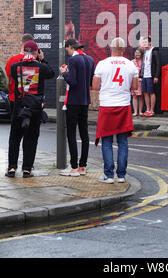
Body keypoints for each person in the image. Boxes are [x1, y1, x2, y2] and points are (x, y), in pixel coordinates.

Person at [92, 37, 139, 183]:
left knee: (106, 141)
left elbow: (95, 86)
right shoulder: (131, 65)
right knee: (122, 141)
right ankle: (122, 175)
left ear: (111, 48)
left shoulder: (102, 64)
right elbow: (135, 87)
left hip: (107, 105)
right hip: (123, 105)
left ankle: (109, 175)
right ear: (123, 50)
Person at [6, 41, 54, 178]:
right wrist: (42, 59)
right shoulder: (41, 68)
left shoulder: (15, 67)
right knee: (31, 139)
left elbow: (14, 76)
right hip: (34, 108)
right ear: (36, 52)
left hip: (19, 107)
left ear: (24, 50)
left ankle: (12, 168)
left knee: (15, 138)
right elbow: (51, 72)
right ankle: (27, 169)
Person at [59, 38, 95, 177]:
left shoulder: (74, 60)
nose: (67, 52)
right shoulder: (90, 59)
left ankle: (73, 167)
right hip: (85, 100)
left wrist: (64, 72)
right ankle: (82, 166)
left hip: (73, 101)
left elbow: (72, 82)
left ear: (70, 47)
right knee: (84, 133)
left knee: (71, 133)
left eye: (67, 49)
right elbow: (90, 80)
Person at [5, 33, 35, 116]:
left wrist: (11, 91)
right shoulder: (35, 61)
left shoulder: (12, 60)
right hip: (31, 99)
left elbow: (7, 80)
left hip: (14, 97)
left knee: (15, 126)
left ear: (20, 44)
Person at [140, 36, 160, 116]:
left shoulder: (154, 51)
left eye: (146, 42)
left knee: (151, 92)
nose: (144, 44)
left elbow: (158, 64)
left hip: (151, 75)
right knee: (145, 92)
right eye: (143, 43)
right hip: (144, 75)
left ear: (149, 42)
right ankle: (147, 109)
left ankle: (152, 110)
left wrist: (156, 76)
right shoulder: (144, 52)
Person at [131, 48, 144, 116]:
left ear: (141, 54)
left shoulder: (144, 62)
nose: (137, 54)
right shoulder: (132, 62)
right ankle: (135, 112)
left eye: (139, 53)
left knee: (141, 96)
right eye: (136, 53)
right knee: (135, 96)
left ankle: (140, 111)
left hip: (142, 81)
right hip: (134, 81)